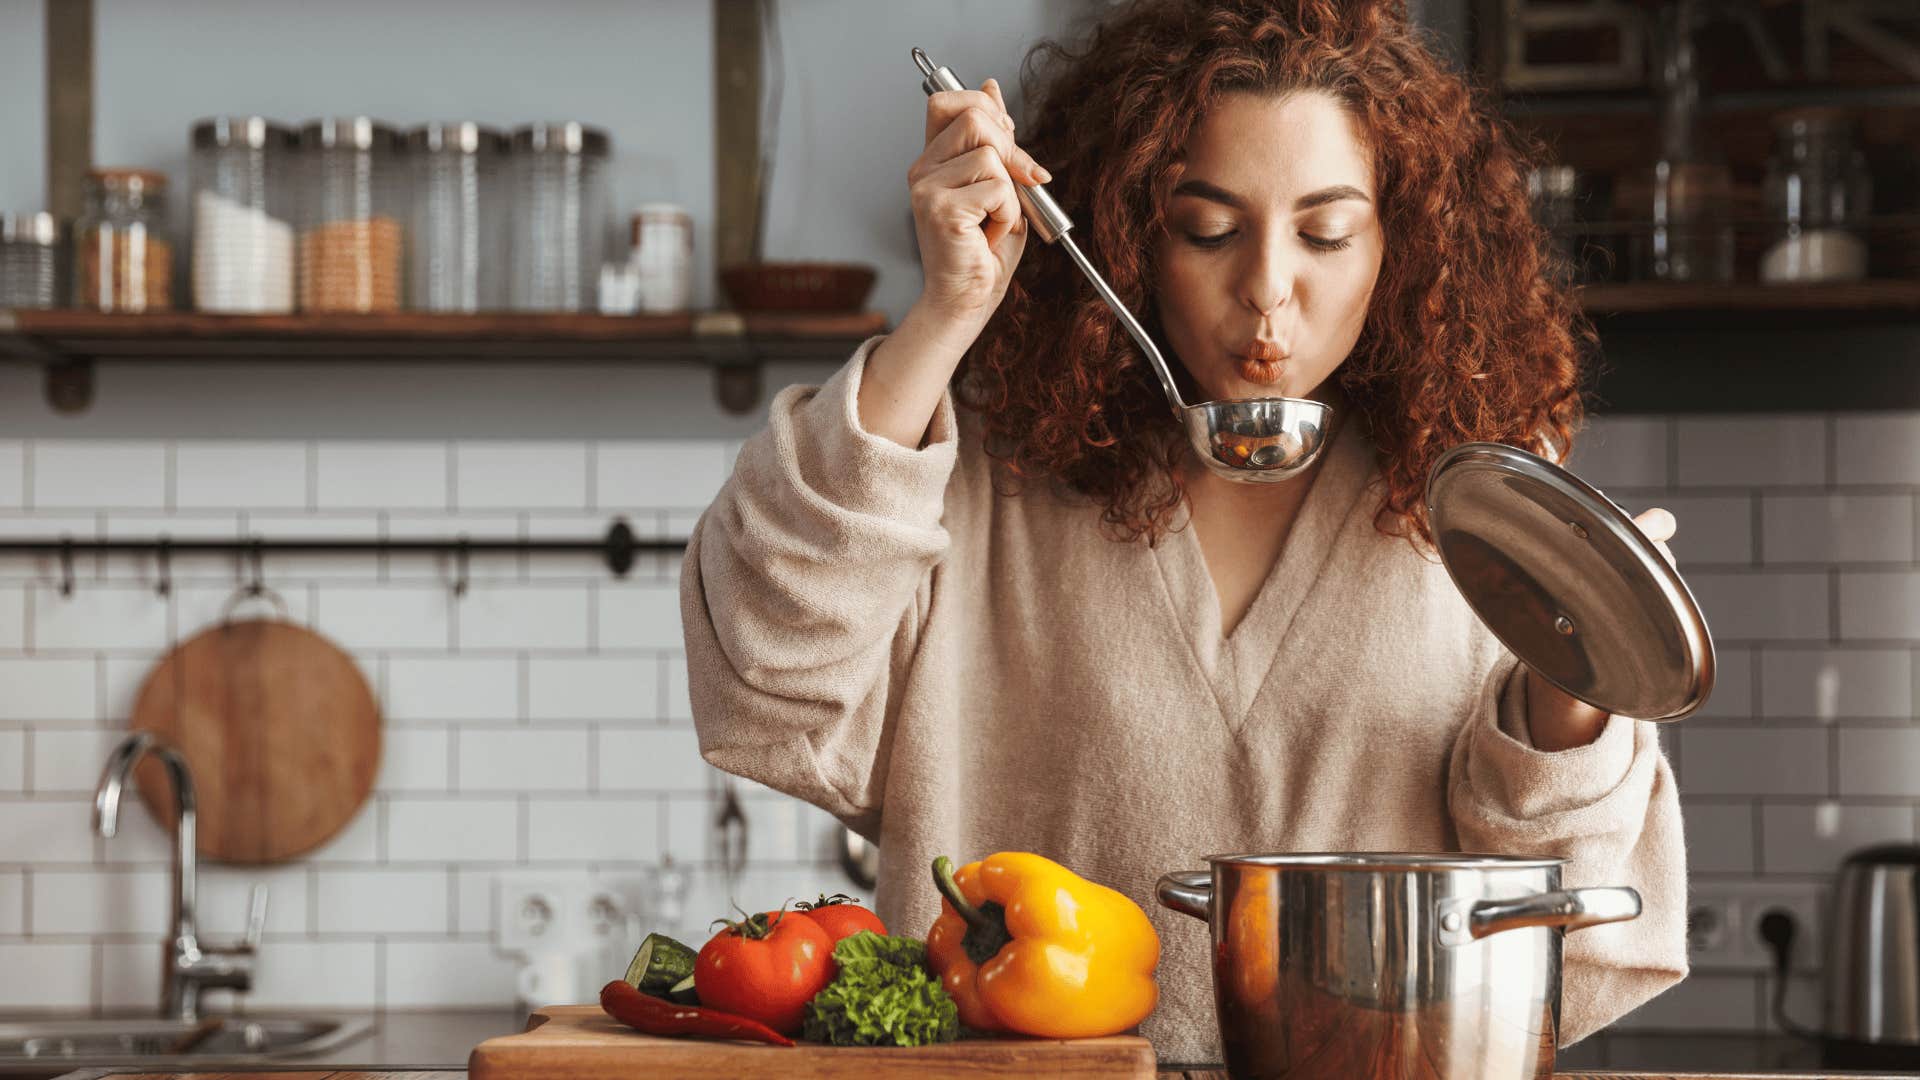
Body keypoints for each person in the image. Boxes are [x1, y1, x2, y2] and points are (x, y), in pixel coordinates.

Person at [681, 0, 1686, 1063]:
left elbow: (1567, 911)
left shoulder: (1485, 503)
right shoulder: (983, 478)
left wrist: (1577, 684)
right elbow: (766, 677)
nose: (1266, 290)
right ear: (1127, 233)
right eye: (1207, 229)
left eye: (1326, 233)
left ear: (1405, 242)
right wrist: (944, 319)